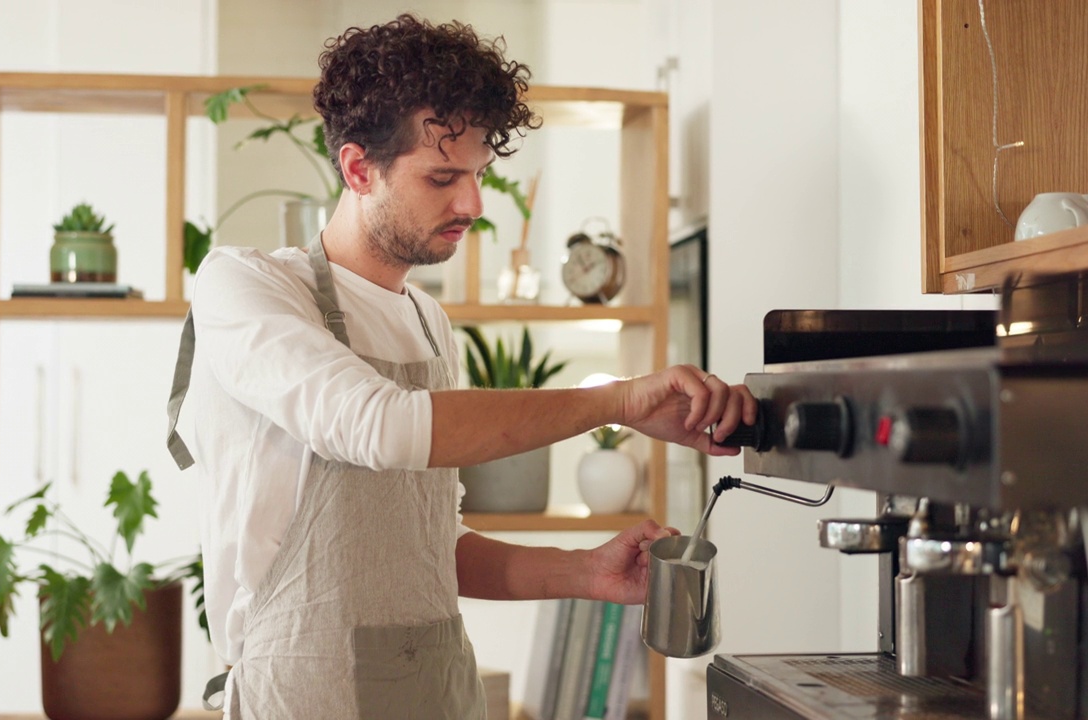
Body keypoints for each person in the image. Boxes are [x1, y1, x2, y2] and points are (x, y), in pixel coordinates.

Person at [165, 13, 756, 719]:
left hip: (442, 693)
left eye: (476, 175)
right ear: (359, 168)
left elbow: (426, 549)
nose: (472, 204)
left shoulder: (428, 321)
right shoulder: (247, 285)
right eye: (443, 176)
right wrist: (622, 401)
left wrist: (586, 572)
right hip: (306, 696)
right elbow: (381, 427)